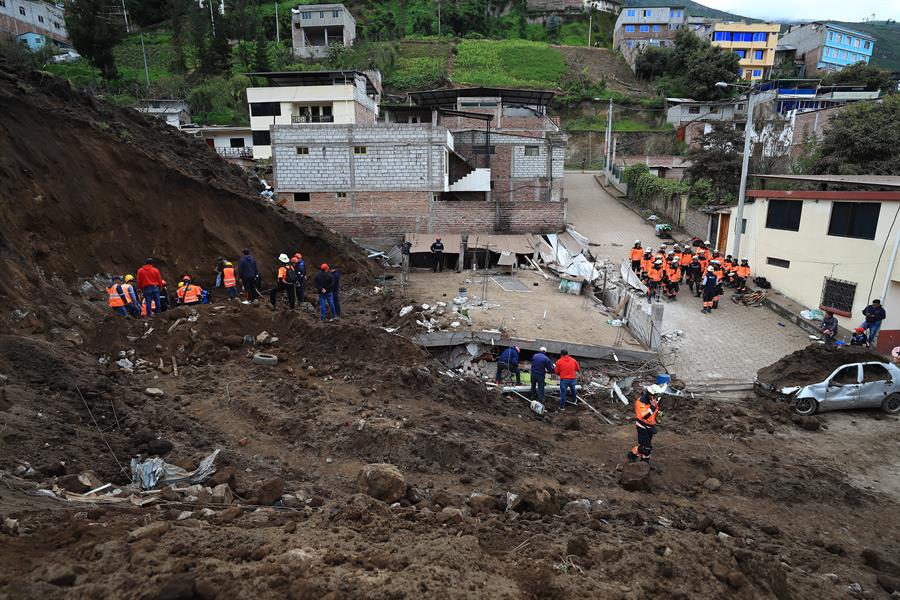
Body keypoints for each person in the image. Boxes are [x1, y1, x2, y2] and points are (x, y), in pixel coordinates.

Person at [627, 385, 662, 463]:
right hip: (642, 426)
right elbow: (645, 416)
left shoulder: (653, 400)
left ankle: (644, 462)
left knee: (647, 447)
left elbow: (654, 411)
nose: (657, 397)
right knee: (646, 448)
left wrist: (657, 414)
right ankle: (631, 455)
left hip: (650, 426)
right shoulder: (640, 402)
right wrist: (653, 406)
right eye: (656, 395)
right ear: (650, 394)